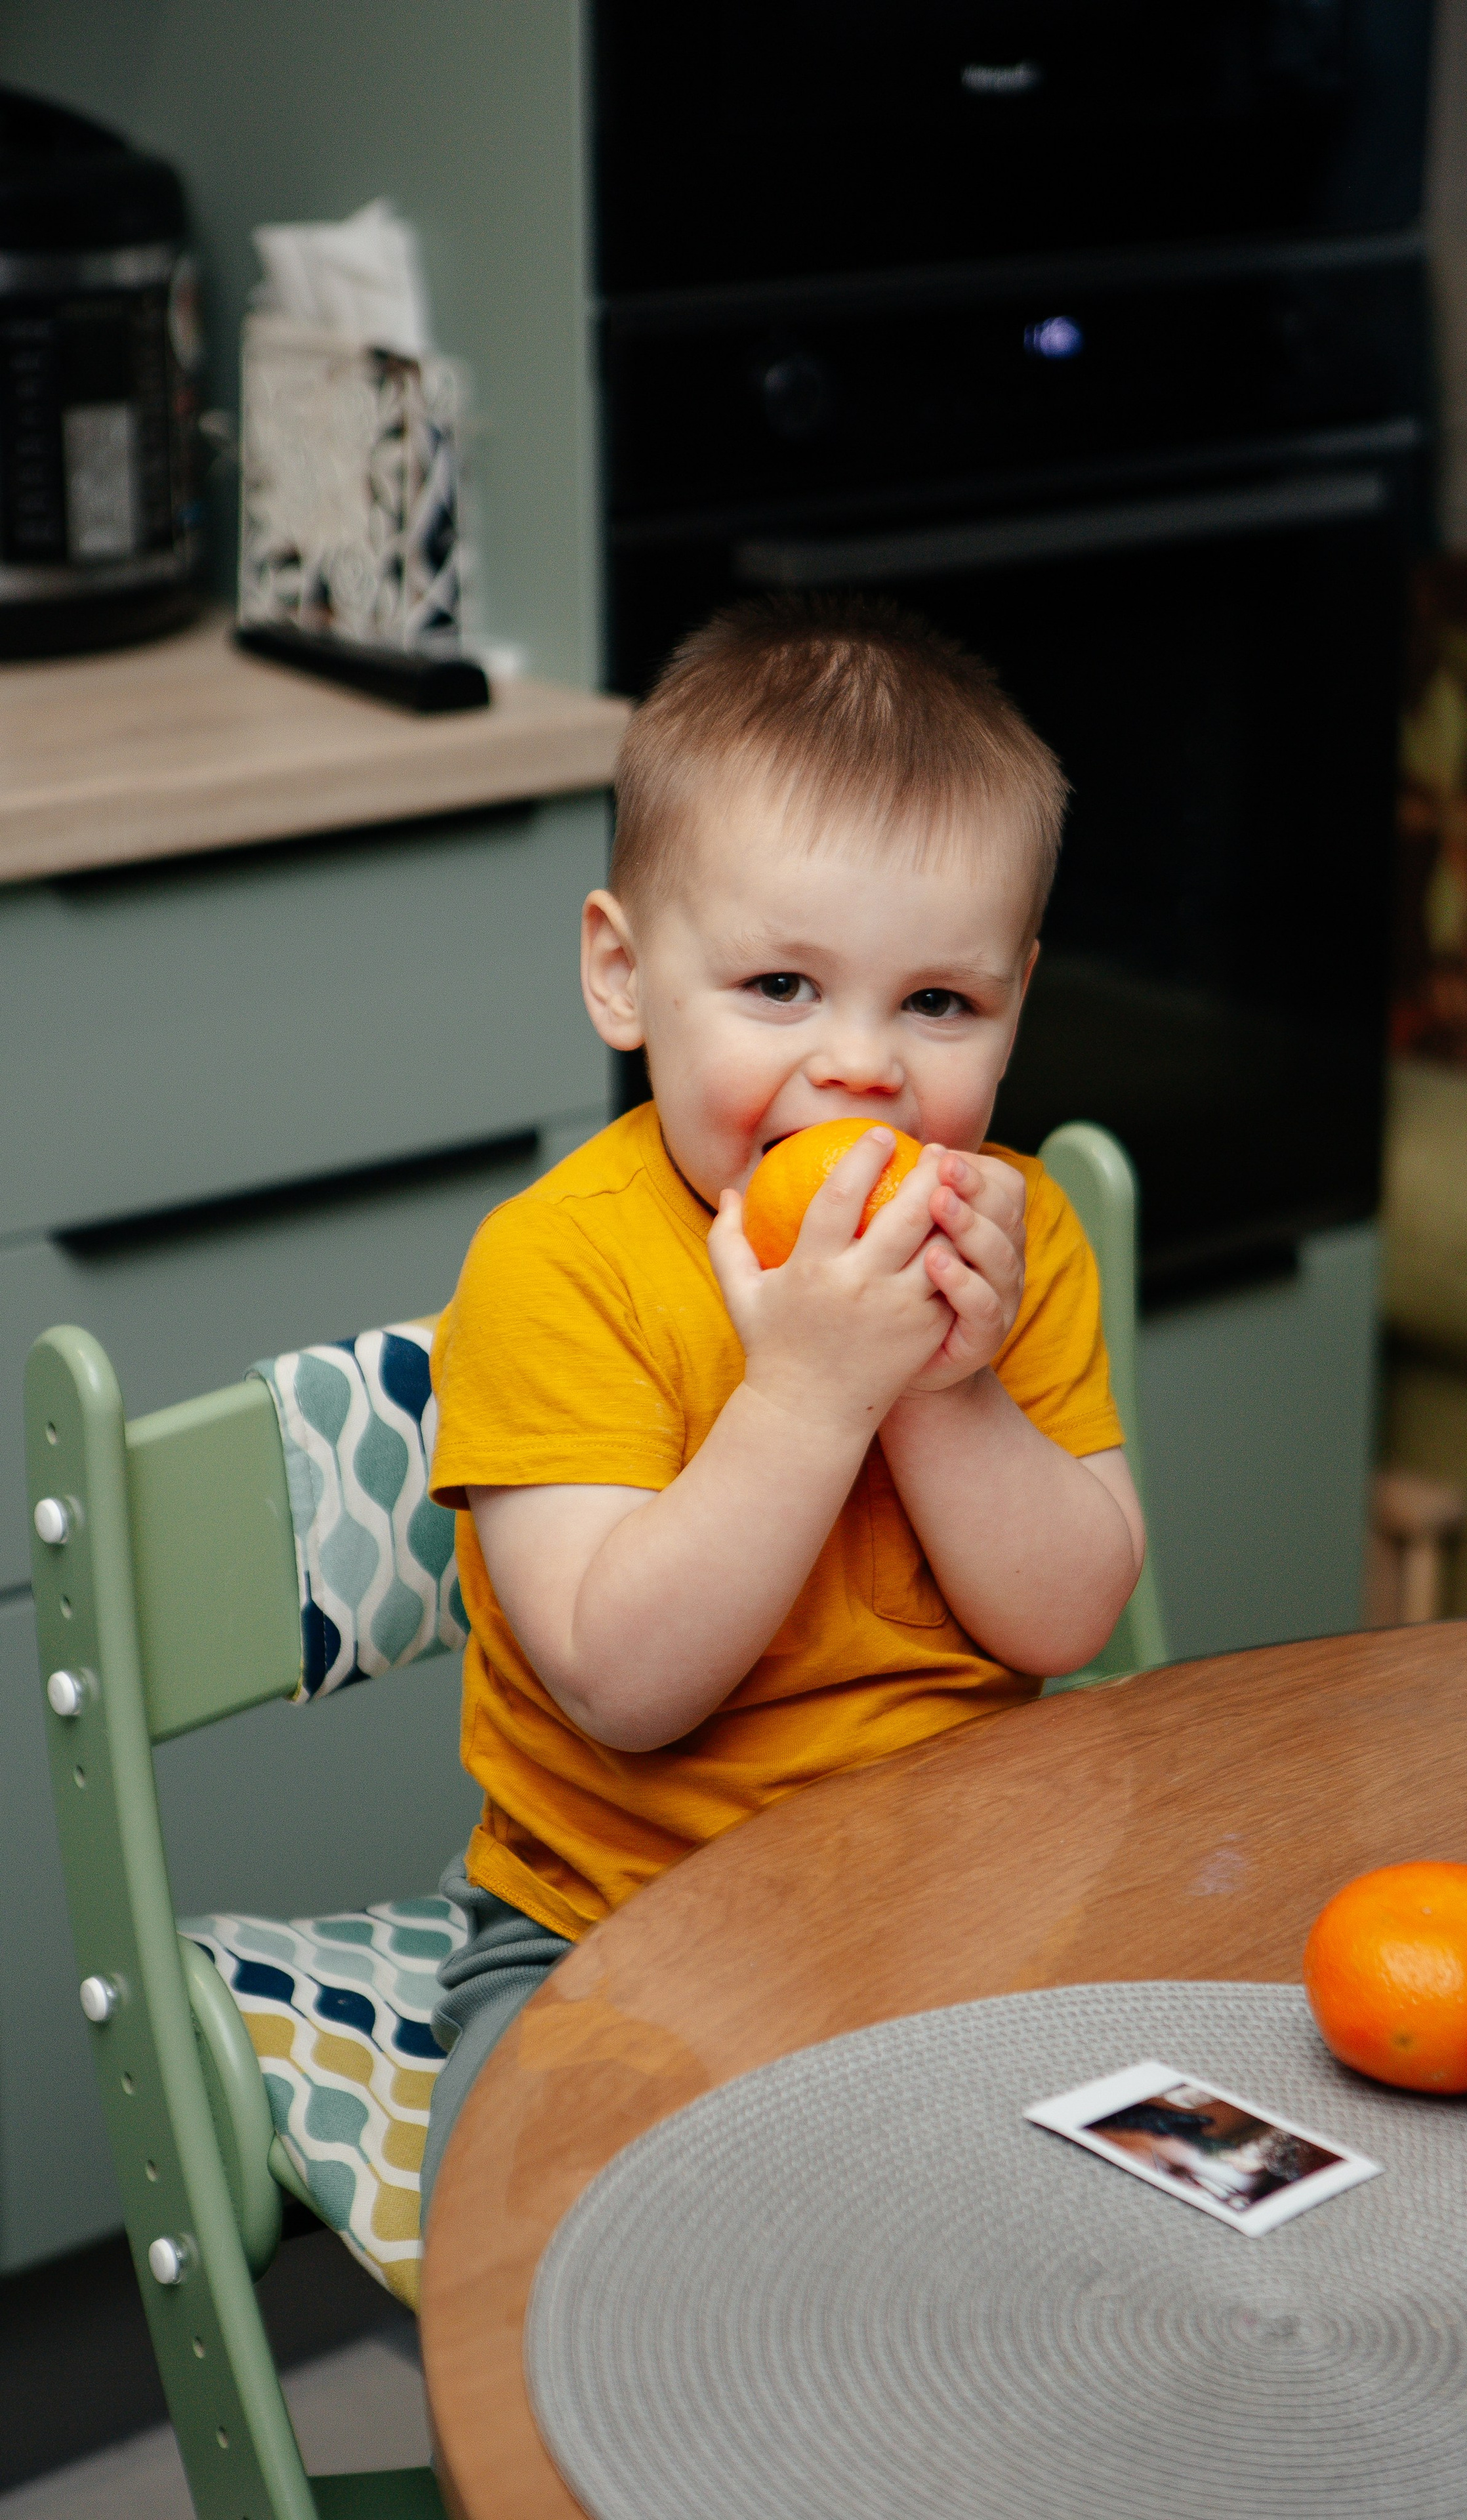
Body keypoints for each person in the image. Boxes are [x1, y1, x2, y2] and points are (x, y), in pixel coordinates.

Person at [419, 595, 1146, 2212]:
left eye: (936, 1006)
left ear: (1014, 1001)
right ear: (623, 975)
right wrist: (812, 1393)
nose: (862, 1070)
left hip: (963, 1905)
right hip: (606, 1933)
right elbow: (624, 1682)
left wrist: (945, 1392)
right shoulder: (557, 1271)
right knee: (566, 2236)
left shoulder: (1008, 1243)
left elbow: (1067, 1620)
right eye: (779, 987)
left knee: (1129, 2213)